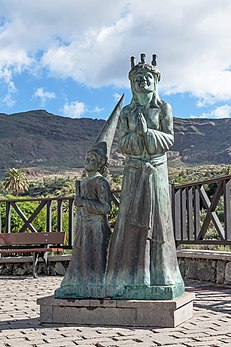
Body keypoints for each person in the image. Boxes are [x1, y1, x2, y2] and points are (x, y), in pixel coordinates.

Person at [106, 54, 184, 300]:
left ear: (155, 81)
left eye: (147, 77)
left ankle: (161, 276)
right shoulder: (128, 111)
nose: (142, 82)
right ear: (132, 84)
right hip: (134, 172)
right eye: (138, 78)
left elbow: (169, 139)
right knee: (131, 221)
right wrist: (136, 137)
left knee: (158, 222)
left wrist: (147, 132)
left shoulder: (163, 108)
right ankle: (130, 276)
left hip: (156, 171)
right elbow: (122, 143)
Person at [55, 142, 112, 298]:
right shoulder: (84, 182)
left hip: (96, 227)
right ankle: (80, 284)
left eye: (92, 159)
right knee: (82, 256)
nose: (87, 161)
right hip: (83, 226)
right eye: (86, 158)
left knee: (96, 257)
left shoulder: (101, 182)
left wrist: (84, 203)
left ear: (100, 163)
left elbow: (105, 208)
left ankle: (98, 286)